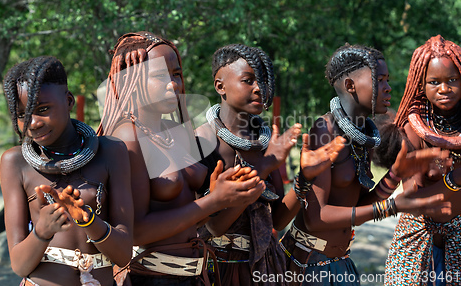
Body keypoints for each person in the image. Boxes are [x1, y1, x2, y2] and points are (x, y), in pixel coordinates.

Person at [98, 32, 266, 286]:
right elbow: (135, 232)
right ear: (132, 79)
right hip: (152, 278)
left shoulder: (171, 130)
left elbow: (191, 214)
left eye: (176, 74)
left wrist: (226, 193)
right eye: (160, 75)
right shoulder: (126, 135)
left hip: (195, 275)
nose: (173, 84)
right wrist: (213, 201)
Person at [282, 43, 452, 286]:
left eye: (387, 80)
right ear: (350, 86)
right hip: (307, 265)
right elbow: (316, 218)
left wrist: (394, 176)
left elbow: (357, 207)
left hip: (340, 263)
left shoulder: (364, 136)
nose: (388, 88)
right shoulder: (325, 130)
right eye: (380, 80)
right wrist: (391, 207)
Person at [194, 44, 347, 286]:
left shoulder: (266, 143)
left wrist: (305, 179)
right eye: (248, 80)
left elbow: (277, 220)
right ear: (220, 86)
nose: (258, 89)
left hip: (264, 270)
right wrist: (264, 167)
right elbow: (213, 227)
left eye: (262, 82)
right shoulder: (202, 142)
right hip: (216, 269)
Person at [0, 56, 133, 286]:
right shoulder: (15, 162)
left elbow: (123, 255)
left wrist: (87, 219)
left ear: (69, 100)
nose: (32, 123)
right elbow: (19, 265)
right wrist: (42, 231)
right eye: (22, 115)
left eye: (42, 109)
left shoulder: (111, 152)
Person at [385, 35, 461, 286]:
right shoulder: (412, 129)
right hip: (417, 240)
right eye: (434, 82)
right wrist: (455, 179)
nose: (444, 88)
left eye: (453, 80)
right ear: (421, 85)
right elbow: (413, 199)